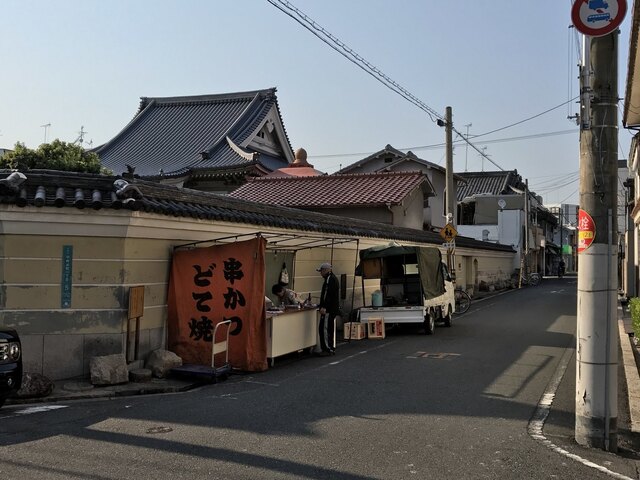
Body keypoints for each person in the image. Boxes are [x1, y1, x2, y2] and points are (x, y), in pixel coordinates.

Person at [317, 262, 340, 355]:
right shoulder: (333, 278)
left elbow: (327, 294)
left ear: (326, 270)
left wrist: (324, 306)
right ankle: (330, 347)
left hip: (328, 309)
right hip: (332, 308)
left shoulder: (329, 279)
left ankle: (327, 349)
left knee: (324, 329)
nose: (320, 273)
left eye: (321, 271)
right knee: (329, 328)